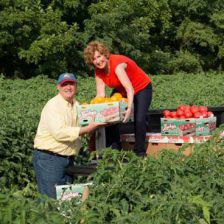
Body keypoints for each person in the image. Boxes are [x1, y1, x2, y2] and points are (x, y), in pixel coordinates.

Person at [33, 72, 105, 198]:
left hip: (67, 159)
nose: (68, 87)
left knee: (65, 199)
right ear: (58, 87)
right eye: (64, 84)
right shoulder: (53, 106)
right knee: (50, 200)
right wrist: (88, 129)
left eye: (71, 84)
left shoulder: (76, 105)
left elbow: (84, 126)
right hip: (50, 158)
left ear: (76, 86)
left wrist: (99, 122)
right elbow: (60, 133)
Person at [84, 41, 153, 156]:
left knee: (139, 119)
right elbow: (100, 95)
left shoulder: (117, 65)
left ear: (105, 54)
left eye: (99, 56)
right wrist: (93, 111)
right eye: (94, 59)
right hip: (121, 89)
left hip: (141, 87)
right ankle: (115, 149)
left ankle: (139, 152)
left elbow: (129, 89)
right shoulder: (98, 71)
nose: (97, 61)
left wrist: (129, 108)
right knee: (110, 113)